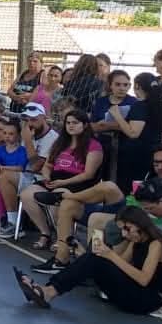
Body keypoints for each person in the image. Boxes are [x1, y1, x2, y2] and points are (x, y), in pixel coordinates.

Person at [15, 206, 162, 315]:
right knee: (95, 258)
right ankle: (48, 290)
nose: (124, 234)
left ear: (140, 225)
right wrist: (87, 255)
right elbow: (118, 267)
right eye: (122, 229)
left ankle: (49, 292)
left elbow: (144, 279)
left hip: (149, 300)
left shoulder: (156, 244)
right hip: (137, 293)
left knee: (98, 259)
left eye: (127, 229)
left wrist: (109, 255)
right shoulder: (136, 242)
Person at [18, 108, 105, 267]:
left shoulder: (94, 145)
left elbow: (88, 174)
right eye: (68, 123)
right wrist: (47, 176)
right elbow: (48, 165)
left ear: (85, 125)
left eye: (75, 123)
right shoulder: (60, 143)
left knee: (58, 196)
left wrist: (62, 183)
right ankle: (45, 232)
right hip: (55, 179)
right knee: (27, 194)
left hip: (77, 182)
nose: (71, 126)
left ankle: (63, 239)